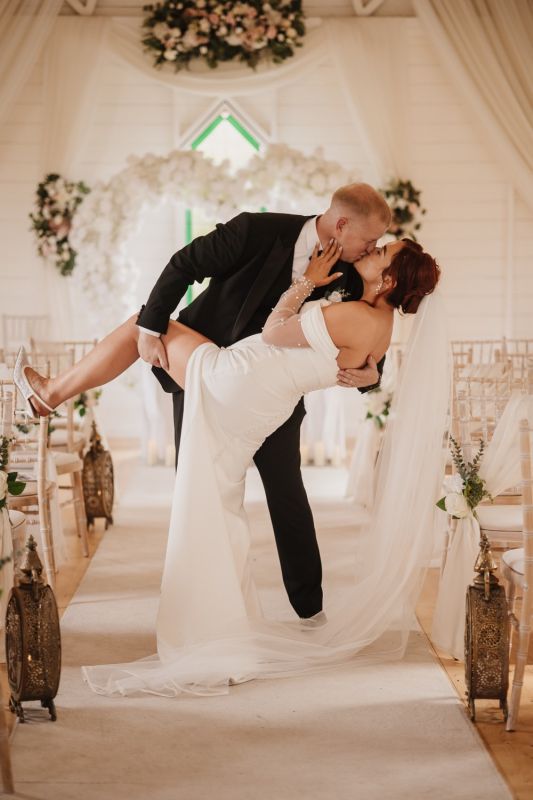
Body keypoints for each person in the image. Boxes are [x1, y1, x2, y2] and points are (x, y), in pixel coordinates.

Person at [14, 235, 447, 698]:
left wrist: (305, 283)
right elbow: (359, 367)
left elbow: (277, 331)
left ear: (390, 280)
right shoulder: (380, 325)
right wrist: (371, 372)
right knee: (218, 507)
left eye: (382, 252)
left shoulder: (356, 314)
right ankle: (220, 630)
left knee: (146, 321)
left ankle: (50, 394)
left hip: (236, 380)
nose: (372, 249)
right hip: (257, 404)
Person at [134, 183, 392, 622]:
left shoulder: (354, 274)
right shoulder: (256, 231)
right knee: (198, 488)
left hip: (273, 396)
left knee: (287, 491)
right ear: (341, 224)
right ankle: (201, 605)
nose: (373, 249)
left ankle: (310, 608)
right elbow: (185, 264)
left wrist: (371, 377)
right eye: (369, 240)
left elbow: (365, 336)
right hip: (208, 377)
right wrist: (149, 327)